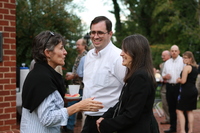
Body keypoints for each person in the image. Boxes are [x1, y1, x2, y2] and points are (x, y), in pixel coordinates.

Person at [20, 31, 103, 133]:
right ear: (48, 53)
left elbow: (42, 103)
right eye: (61, 48)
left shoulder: (40, 73)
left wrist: (63, 99)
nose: (65, 52)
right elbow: (48, 118)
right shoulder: (42, 78)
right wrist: (79, 106)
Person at [96, 34, 157, 133]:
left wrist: (106, 125)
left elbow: (132, 115)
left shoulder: (140, 77)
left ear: (136, 52)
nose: (121, 54)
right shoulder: (136, 74)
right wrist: (106, 116)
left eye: (125, 50)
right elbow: (124, 102)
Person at [81, 16, 126, 133]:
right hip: (88, 118)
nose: (95, 36)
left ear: (110, 34)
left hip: (108, 120)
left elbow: (129, 89)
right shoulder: (89, 56)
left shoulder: (118, 57)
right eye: (93, 32)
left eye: (100, 32)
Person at [64, 38, 88, 133]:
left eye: (78, 45)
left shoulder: (85, 56)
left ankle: (69, 128)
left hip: (81, 86)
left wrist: (72, 76)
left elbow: (83, 73)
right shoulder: (79, 55)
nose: (77, 46)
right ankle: (69, 127)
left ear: (84, 45)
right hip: (76, 85)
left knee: (73, 105)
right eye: (76, 44)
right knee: (72, 105)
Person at [162, 45, 185, 133]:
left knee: (182, 108)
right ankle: (173, 127)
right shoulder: (167, 63)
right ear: (170, 52)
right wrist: (165, 77)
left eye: (176, 51)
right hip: (169, 86)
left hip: (179, 87)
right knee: (171, 108)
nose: (174, 52)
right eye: (172, 51)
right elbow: (162, 76)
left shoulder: (183, 61)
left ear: (179, 52)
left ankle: (185, 128)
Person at [176, 51, 198, 133]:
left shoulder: (186, 67)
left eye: (186, 58)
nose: (184, 59)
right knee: (189, 111)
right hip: (193, 90)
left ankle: (182, 130)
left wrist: (179, 80)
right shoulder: (195, 68)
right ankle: (190, 130)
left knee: (179, 110)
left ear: (190, 58)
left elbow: (183, 81)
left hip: (186, 91)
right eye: (183, 58)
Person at [159, 50, 171, 124]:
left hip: (172, 85)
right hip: (164, 85)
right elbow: (162, 75)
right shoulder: (162, 64)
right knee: (164, 103)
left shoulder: (173, 63)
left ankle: (171, 119)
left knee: (171, 103)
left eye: (164, 55)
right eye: (162, 55)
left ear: (168, 56)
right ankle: (168, 118)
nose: (162, 57)